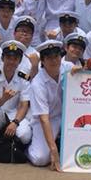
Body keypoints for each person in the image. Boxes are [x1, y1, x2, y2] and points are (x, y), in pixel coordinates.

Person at [27, 38, 67, 169]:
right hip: (46, 120)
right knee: (39, 158)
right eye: (49, 58)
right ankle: (26, 146)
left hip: (65, 118)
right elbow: (44, 118)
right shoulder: (37, 83)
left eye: (56, 56)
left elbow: (82, 73)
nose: (54, 61)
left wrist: (80, 70)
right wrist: (53, 149)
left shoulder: (68, 68)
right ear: (42, 61)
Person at [0, 40, 33, 147]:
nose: (11, 62)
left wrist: (15, 122)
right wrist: (4, 99)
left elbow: (24, 105)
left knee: (25, 136)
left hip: (14, 114)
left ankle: (13, 147)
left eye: (15, 59)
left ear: (20, 61)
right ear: (2, 58)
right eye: (8, 58)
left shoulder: (23, 78)